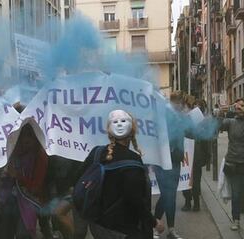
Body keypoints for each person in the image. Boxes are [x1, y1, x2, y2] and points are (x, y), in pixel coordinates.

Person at [75, 110, 164, 239]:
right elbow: (135, 200)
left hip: (98, 225)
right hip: (122, 230)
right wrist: (154, 222)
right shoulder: (133, 160)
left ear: (109, 131)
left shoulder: (97, 152)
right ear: (133, 131)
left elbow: (78, 179)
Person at [154, 91, 193, 239]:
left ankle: (171, 229)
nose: (183, 106)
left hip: (175, 160)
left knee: (171, 196)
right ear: (178, 102)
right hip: (163, 161)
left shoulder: (179, 116)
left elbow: (189, 133)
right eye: (182, 103)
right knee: (167, 195)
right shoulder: (164, 115)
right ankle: (155, 227)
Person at [219, 98, 244, 232]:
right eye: (237, 106)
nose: (239, 108)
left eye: (242, 106)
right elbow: (218, 126)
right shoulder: (230, 122)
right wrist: (219, 113)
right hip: (234, 163)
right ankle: (235, 219)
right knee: (235, 194)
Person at [181, 99, 211, 212]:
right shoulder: (186, 121)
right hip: (187, 156)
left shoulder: (203, 124)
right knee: (186, 180)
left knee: (195, 181)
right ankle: (188, 202)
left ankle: (195, 203)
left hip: (195, 156)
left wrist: (207, 157)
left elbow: (206, 141)